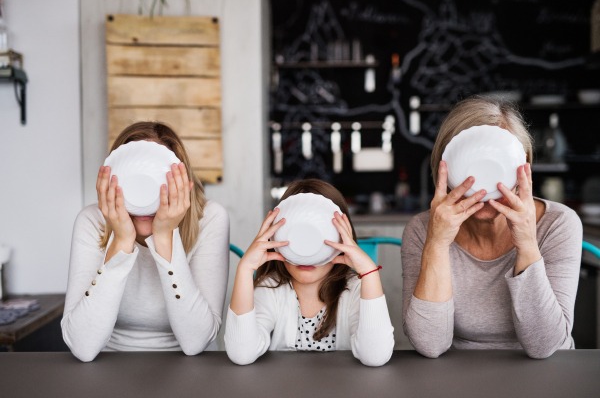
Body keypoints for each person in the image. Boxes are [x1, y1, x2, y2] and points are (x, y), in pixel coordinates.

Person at [402, 96, 582, 359]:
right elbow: (430, 344)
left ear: (524, 168)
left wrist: (528, 244)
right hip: (459, 374)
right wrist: (437, 243)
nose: (485, 190)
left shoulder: (559, 224)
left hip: (546, 374)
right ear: (445, 169)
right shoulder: (422, 229)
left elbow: (545, 346)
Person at [62, 122, 230, 362]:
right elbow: (82, 346)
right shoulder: (92, 221)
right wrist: (121, 241)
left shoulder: (211, 219)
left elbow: (196, 342)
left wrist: (164, 236)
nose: (144, 199)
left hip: (191, 369)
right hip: (108, 366)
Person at [225, 179, 394, 366]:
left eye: (318, 241)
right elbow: (241, 353)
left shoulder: (356, 291)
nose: (307, 253)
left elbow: (375, 356)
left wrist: (370, 273)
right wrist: (245, 269)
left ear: (342, 239)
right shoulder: (271, 289)